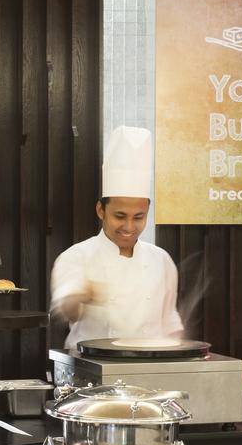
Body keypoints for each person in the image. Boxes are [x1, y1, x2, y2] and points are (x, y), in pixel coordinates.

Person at [50, 126, 185, 350]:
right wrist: (80, 294)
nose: (129, 227)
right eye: (120, 216)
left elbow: (169, 322)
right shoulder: (77, 256)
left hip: (151, 365)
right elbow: (68, 308)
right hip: (92, 365)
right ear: (101, 210)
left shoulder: (161, 260)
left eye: (139, 217)